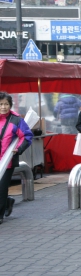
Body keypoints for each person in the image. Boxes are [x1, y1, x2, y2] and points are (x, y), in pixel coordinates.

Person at [0, 92, 33, 223]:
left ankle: (0, 214)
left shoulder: (16, 120)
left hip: (7, 161)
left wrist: (18, 149)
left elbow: (27, 136)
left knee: (1, 188)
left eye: (6, 104)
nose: (3, 107)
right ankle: (7, 202)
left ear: (10, 105)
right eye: (1, 104)